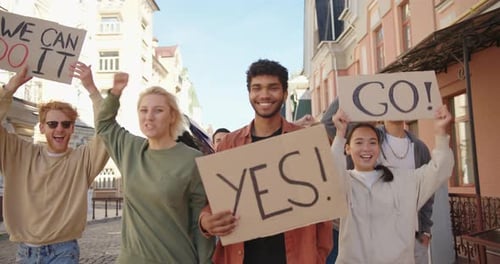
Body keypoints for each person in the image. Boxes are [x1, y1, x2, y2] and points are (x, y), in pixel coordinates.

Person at [199, 59, 333, 264]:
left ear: (285, 93)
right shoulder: (229, 144)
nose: (264, 95)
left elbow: (323, 214)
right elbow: (214, 201)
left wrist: (317, 256)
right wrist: (205, 221)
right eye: (257, 88)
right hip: (242, 257)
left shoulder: (305, 142)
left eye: (273, 88)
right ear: (249, 94)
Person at [95, 72, 214, 263]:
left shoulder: (193, 160)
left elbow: (198, 222)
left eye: (158, 110)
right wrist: (115, 93)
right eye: (143, 110)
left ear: (172, 116)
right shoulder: (129, 149)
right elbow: (104, 125)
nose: (149, 117)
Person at [0, 62, 109, 263]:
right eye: (52, 124)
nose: (59, 129)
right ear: (42, 128)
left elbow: (107, 133)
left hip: (64, 252)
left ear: (72, 129)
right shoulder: (19, 153)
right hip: (26, 253)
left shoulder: (82, 160)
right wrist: (10, 88)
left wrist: (92, 89)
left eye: (66, 124)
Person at [330, 105, 454, 263]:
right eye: (359, 142)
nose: (366, 148)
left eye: (372, 142)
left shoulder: (405, 181)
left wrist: (441, 133)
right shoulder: (345, 184)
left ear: (379, 148)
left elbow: (440, 170)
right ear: (347, 149)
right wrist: (340, 134)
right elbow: (331, 172)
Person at [379, 120, 434, 264]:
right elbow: (329, 124)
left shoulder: (420, 148)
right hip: (380, 238)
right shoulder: (371, 141)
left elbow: (428, 190)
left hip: (414, 236)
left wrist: (426, 230)